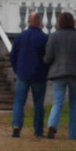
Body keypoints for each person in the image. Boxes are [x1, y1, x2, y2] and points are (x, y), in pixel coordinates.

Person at [43, 12, 76, 140]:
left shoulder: (54, 36)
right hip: (75, 74)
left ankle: (52, 125)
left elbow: (49, 57)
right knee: (74, 103)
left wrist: (45, 62)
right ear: (73, 22)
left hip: (59, 74)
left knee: (58, 102)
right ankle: (73, 134)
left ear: (60, 22)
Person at [10, 11, 49, 139]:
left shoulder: (20, 37)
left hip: (22, 73)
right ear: (39, 23)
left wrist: (17, 69)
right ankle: (38, 130)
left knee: (19, 101)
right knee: (38, 103)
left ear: (28, 22)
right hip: (39, 74)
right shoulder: (44, 38)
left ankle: (16, 125)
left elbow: (13, 56)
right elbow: (48, 58)